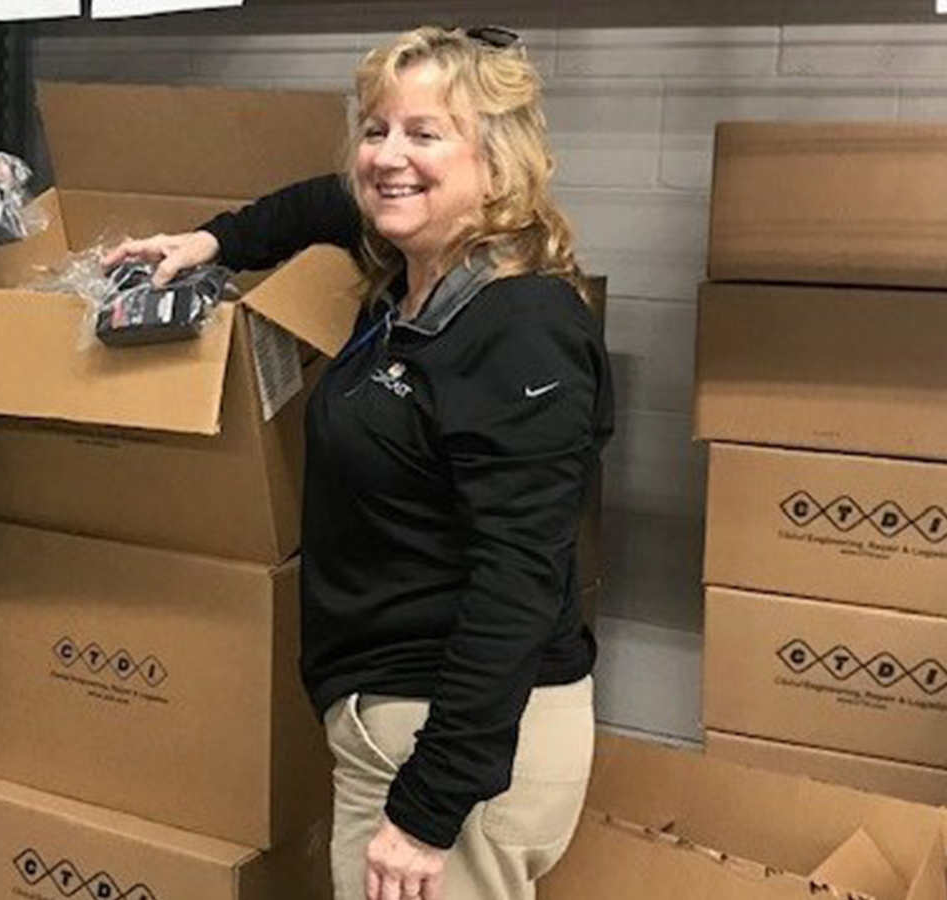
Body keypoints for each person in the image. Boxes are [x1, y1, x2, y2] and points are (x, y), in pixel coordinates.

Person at [107, 26, 611, 900]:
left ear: (498, 163)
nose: (388, 157)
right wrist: (210, 243)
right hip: (401, 725)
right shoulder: (416, 278)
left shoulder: (520, 327)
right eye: (376, 129)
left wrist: (428, 809)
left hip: (451, 751)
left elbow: (519, 580)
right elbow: (323, 205)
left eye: (426, 134)